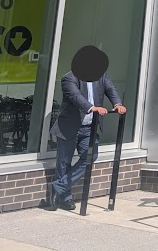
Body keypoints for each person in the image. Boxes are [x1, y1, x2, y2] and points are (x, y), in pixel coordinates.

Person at [44, 46, 125, 211]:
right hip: (69, 126)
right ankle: (65, 198)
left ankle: (58, 187)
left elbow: (111, 89)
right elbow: (76, 97)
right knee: (64, 162)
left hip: (90, 127)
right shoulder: (69, 78)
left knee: (90, 157)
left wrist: (117, 104)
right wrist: (92, 108)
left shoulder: (102, 76)